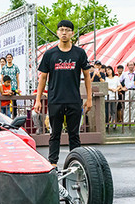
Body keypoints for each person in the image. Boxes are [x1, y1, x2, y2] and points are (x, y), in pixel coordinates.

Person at [34, 20, 92, 166]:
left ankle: (77, 163)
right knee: (55, 134)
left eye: (67, 30)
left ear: (72, 33)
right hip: (55, 100)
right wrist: (38, 99)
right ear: (58, 32)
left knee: (74, 136)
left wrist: (89, 98)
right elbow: (43, 77)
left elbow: (86, 75)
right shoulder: (50, 54)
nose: (64, 32)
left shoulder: (79, 53)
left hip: (73, 100)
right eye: (61, 30)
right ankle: (52, 164)